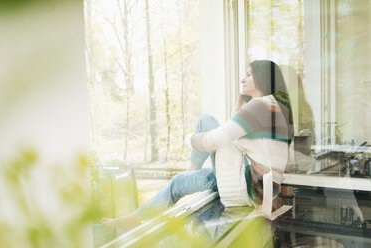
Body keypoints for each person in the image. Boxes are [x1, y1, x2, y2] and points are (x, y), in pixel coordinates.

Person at [101, 60, 294, 229]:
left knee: (205, 122)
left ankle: (188, 173)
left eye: (249, 74)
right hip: (256, 182)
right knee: (179, 183)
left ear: (262, 78)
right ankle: (139, 214)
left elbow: (216, 140)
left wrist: (188, 140)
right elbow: (242, 141)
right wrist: (238, 110)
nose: (243, 79)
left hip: (247, 182)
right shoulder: (274, 106)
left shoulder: (260, 105)